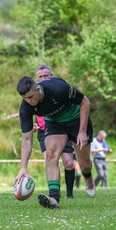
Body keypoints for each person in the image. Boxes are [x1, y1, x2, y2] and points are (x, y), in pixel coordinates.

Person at [15, 76, 95, 210]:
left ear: (38, 89)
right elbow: (27, 139)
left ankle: (88, 176)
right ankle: (53, 198)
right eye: (25, 99)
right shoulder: (26, 108)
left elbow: (85, 102)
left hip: (76, 119)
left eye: (31, 97)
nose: (29, 101)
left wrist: (82, 131)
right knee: (51, 154)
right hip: (55, 122)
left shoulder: (58, 89)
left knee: (84, 164)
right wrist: (23, 167)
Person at [33, 65, 75, 198]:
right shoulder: (33, 94)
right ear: (37, 79)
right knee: (49, 158)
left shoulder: (57, 89)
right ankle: (54, 192)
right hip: (44, 132)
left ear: (51, 75)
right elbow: (33, 113)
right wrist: (34, 125)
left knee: (68, 162)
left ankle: (69, 193)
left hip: (61, 127)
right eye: (40, 77)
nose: (43, 79)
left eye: (46, 76)